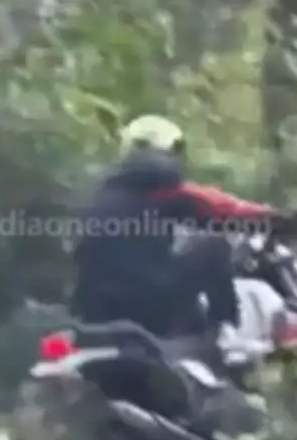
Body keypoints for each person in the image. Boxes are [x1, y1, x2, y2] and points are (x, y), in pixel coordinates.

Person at [68, 114, 278, 353]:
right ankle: (225, 331)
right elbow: (225, 210)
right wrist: (276, 219)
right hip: (150, 302)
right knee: (213, 246)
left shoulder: (100, 192)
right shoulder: (167, 191)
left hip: (95, 310)